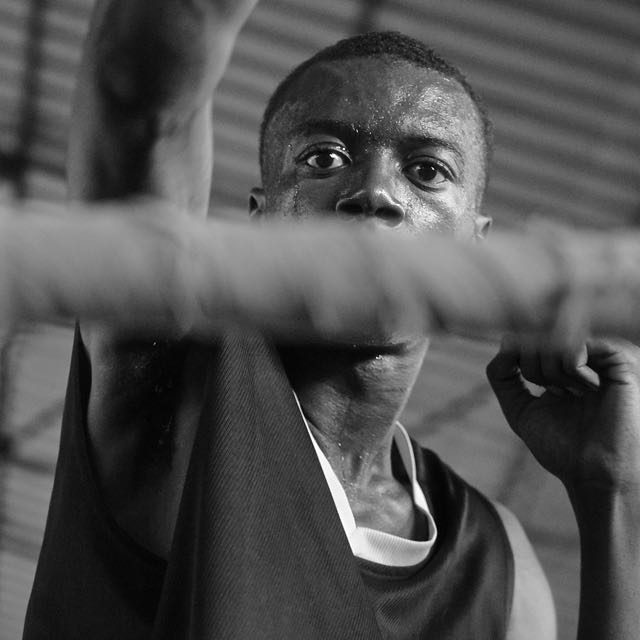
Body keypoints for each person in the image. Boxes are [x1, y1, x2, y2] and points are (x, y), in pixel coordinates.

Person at [22, 1, 640, 639]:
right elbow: (140, 96)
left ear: (476, 245)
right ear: (261, 218)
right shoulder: (177, 382)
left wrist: (612, 495)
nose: (375, 192)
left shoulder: (500, 566)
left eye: (427, 171)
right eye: (324, 158)